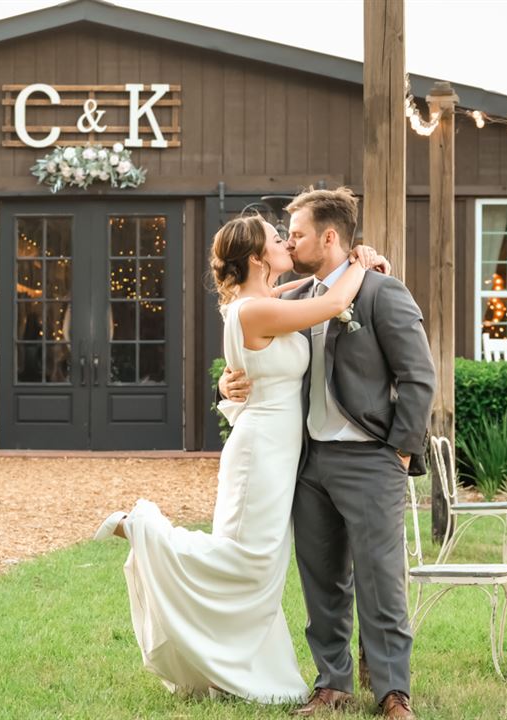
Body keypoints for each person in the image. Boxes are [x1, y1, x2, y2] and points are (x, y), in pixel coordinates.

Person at [93, 213, 388, 703]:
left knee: (263, 566)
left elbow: (300, 303)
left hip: (275, 447)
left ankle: (229, 666)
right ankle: (144, 530)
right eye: (277, 238)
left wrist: (354, 265)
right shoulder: (253, 311)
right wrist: (360, 259)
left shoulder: (262, 303)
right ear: (256, 257)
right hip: (260, 452)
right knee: (247, 559)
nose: (287, 243)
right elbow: (334, 302)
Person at [219, 187, 435, 720]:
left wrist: (400, 452)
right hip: (307, 461)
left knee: (381, 578)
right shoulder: (292, 300)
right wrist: (225, 384)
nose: (289, 243)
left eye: (297, 234)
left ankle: (392, 691)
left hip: (370, 458)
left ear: (330, 236)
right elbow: (257, 360)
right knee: (321, 580)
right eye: (285, 237)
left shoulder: (381, 291)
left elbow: (419, 377)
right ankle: (332, 683)